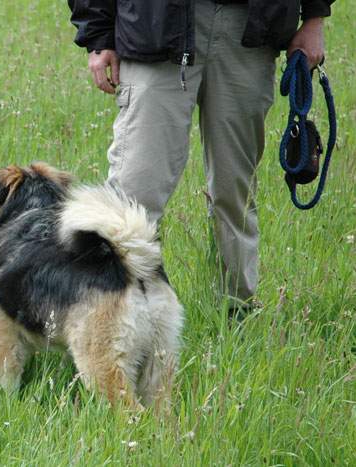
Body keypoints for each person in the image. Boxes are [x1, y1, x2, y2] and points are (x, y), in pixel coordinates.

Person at [68, 0, 334, 315]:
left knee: (235, 191)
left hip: (249, 28)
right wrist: (97, 35)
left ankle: (237, 312)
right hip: (155, 26)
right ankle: (115, 314)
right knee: (133, 196)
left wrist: (315, 17)